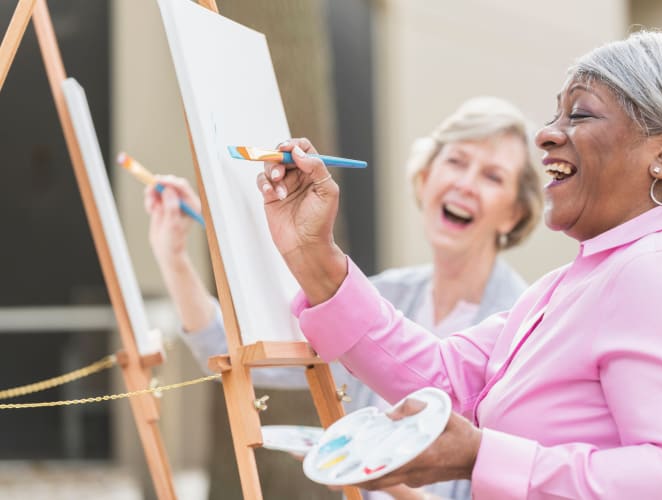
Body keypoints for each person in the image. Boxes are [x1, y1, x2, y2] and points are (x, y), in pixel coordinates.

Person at [256, 30, 662, 499]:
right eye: (556, 114)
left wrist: (481, 456)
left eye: (580, 115)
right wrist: (312, 254)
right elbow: (446, 381)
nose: (545, 134)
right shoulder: (576, 282)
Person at [145, 97, 544, 500]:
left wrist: (370, 470)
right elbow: (233, 349)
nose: (466, 184)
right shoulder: (378, 299)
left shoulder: (524, 329)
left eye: (492, 176)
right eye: (456, 161)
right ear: (425, 177)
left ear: (515, 213)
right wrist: (174, 257)